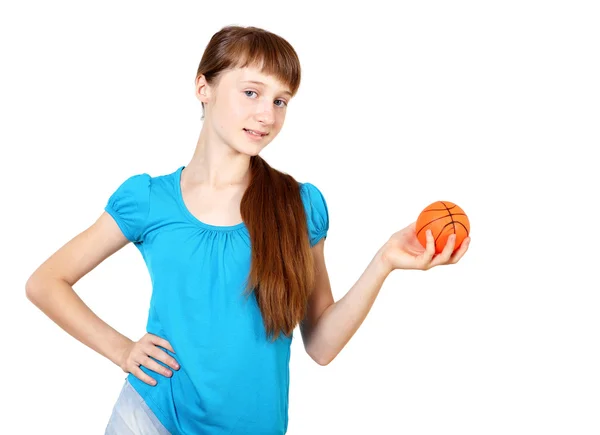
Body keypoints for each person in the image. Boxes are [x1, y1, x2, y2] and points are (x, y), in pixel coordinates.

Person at [25, 25, 470, 435]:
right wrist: (122, 349)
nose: (267, 115)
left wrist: (385, 261)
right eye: (252, 92)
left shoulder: (299, 205)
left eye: (280, 101)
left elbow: (321, 345)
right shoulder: (147, 199)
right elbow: (46, 282)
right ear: (204, 87)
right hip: (151, 418)